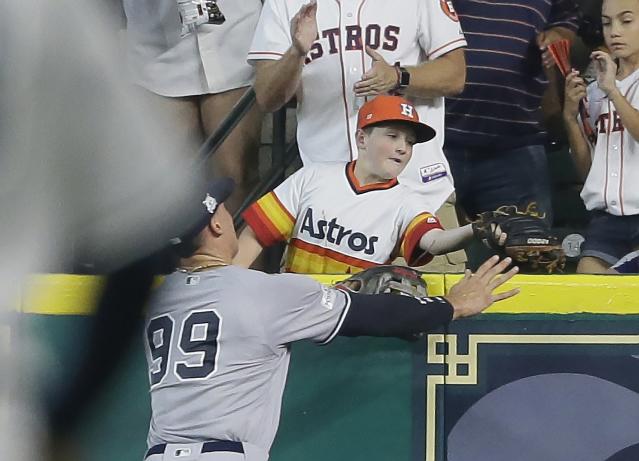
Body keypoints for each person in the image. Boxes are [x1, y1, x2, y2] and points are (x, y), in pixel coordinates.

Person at [142, 176, 519, 461]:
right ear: (217, 225)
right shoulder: (267, 291)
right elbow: (371, 315)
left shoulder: (158, 301)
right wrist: (450, 306)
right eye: (223, 206)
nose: (228, 210)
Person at [233, 95, 503, 273]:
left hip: (352, 319)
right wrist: (226, 285)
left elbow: (434, 241)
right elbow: (256, 233)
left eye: (409, 142)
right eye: (393, 136)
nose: (402, 148)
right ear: (362, 139)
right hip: (292, 309)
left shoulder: (409, 201)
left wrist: (474, 230)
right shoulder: (313, 177)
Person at [248, 0, 466, 213]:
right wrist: (296, 53)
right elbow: (267, 97)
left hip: (417, 191)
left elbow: (455, 75)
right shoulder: (284, 3)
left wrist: (397, 76)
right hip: (329, 197)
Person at [443, 0, 579, 269]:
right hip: (435, 141)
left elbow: (566, 16)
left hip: (516, 141)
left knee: (532, 257)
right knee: (428, 261)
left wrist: (557, 37)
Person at [122, 0, 264, 212]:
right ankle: (190, 246)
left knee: (235, 175)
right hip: (156, 45)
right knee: (171, 182)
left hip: (234, 36)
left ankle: (239, 244)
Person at [563, 0, 639, 274]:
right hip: (607, 219)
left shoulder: (606, 87)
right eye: (607, 23)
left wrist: (614, 92)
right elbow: (588, 170)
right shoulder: (596, 90)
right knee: (586, 291)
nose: (615, 31)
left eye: (626, 21)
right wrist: (570, 119)